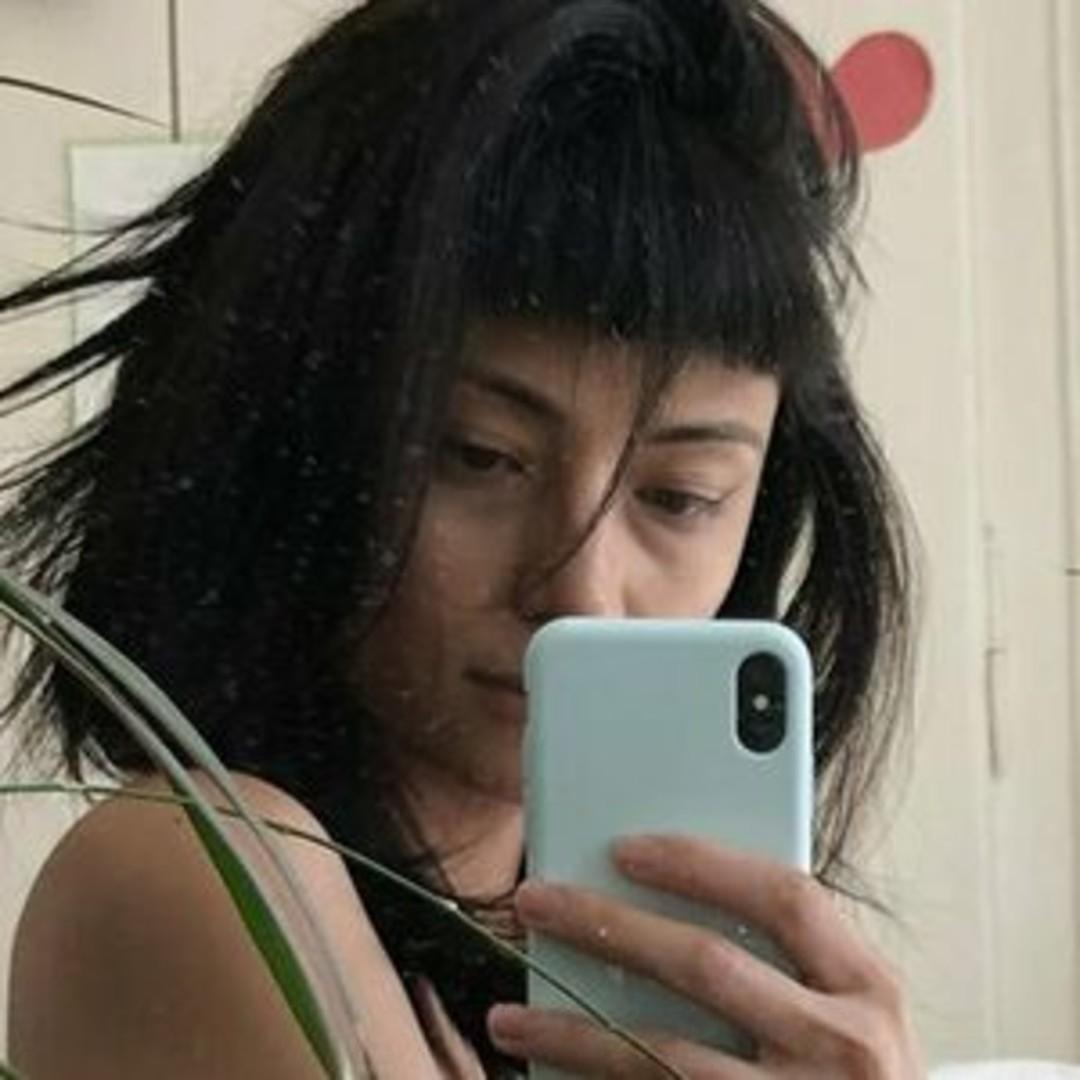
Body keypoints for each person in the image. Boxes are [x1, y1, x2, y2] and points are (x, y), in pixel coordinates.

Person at [0, 0, 922, 1075]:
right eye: (480, 456)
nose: (582, 592)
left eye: (680, 496)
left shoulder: (543, 951)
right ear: (288, 427)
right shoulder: (203, 865)